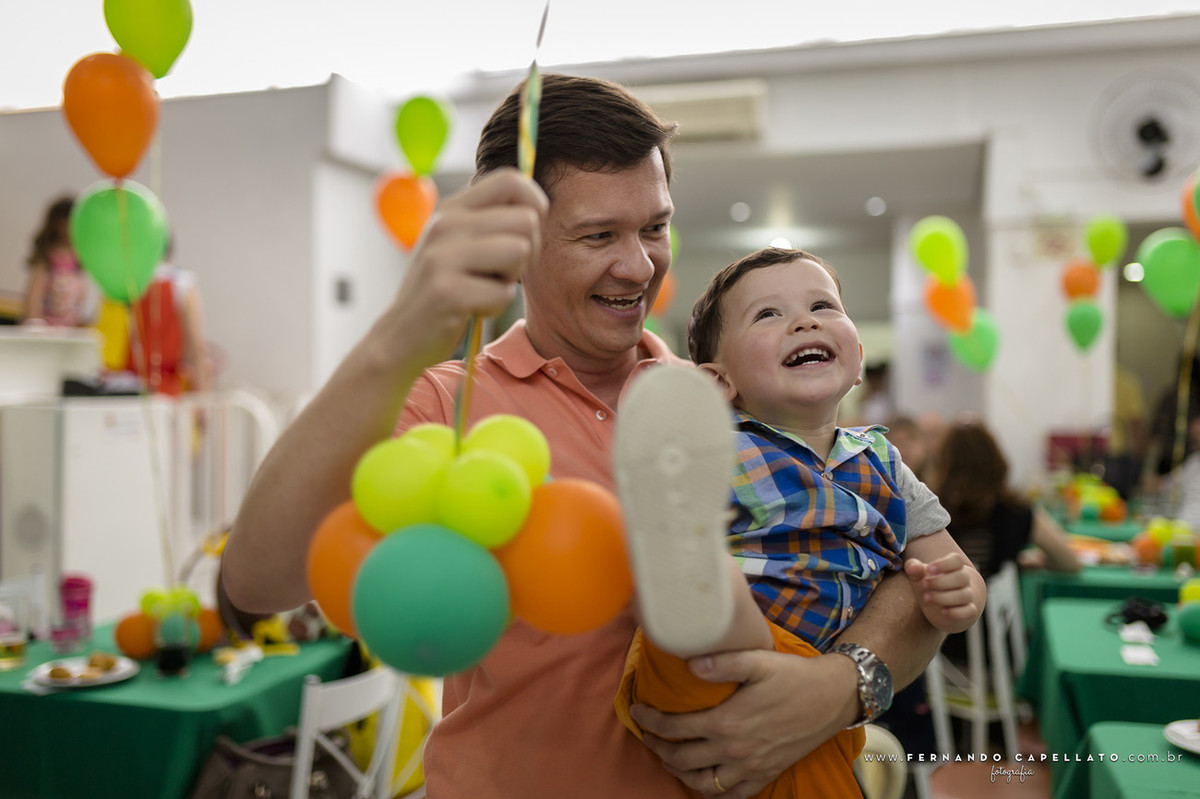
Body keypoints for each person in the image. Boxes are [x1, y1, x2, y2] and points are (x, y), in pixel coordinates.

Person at [221, 74, 951, 798]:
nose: (639, 266)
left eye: (655, 228)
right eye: (598, 235)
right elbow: (257, 580)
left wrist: (840, 685)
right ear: (517, 244)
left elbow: (912, 576)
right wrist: (400, 335)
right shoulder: (448, 404)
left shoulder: (725, 401)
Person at [612, 249, 986, 796]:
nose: (804, 322)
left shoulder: (884, 463)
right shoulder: (720, 450)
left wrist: (958, 594)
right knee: (701, 621)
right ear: (717, 382)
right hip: (710, 664)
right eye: (768, 314)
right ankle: (694, 579)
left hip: (814, 682)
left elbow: (953, 567)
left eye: (822, 306)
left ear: (858, 359)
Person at [930, 419, 1081, 578]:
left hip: (946, 593)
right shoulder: (1015, 510)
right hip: (997, 593)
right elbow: (1069, 562)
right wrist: (1021, 561)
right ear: (996, 460)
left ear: (943, 463)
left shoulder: (931, 511)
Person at [127, 237, 214, 396]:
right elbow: (196, 348)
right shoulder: (182, 284)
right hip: (166, 389)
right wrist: (203, 397)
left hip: (124, 387)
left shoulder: (123, 282)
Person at [20, 196, 96, 327]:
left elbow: (82, 296)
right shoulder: (48, 258)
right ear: (56, 224)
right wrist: (35, 323)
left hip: (69, 328)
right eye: (66, 222)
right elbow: (34, 297)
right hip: (46, 328)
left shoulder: (79, 259)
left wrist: (82, 321)